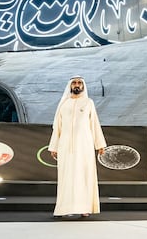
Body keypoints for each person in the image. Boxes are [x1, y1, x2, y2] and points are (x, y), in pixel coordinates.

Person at [48, 75, 107, 217]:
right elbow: (58, 127)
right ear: (70, 86)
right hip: (65, 146)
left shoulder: (88, 103)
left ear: (83, 86)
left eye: (79, 83)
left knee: (84, 175)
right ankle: (64, 209)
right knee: (66, 177)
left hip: (85, 146)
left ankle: (84, 208)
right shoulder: (63, 104)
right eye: (74, 82)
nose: (77, 85)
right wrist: (54, 146)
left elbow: (94, 124)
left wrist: (99, 144)